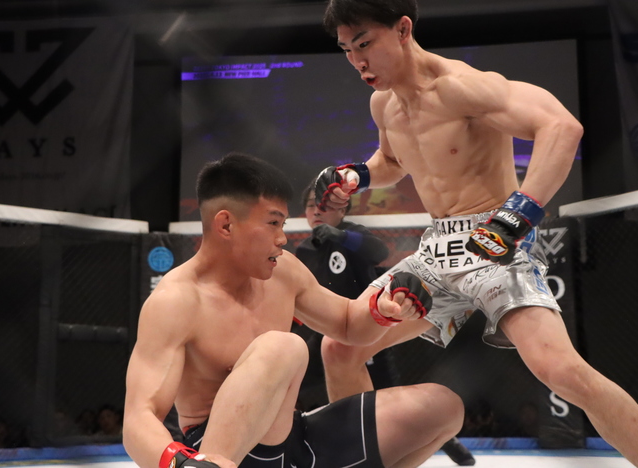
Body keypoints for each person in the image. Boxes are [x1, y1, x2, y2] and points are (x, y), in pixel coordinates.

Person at [312, 1, 638, 467]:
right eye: (347, 49)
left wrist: (518, 214)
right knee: (342, 346)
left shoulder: (462, 86)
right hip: (437, 249)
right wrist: (358, 175)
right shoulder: (383, 103)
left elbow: (562, 126)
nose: (358, 61)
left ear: (402, 29)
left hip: (496, 242)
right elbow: (393, 160)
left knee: (562, 372)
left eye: (364, 43)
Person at [122, 152, 465, 468]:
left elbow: (348, 323)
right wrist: (181, 464)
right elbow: (139, 417)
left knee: (442, 407)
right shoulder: (177, 300)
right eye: (273, 223)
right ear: (226, 225)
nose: (282, 239)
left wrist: (384, 310)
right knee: (283, 346)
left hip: (294, 441)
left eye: (283, 225)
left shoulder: (283, 271)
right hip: (226, 454)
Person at [294, 180, 475, 465]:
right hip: (327, 327)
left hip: (369, 324)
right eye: (310, 206)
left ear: (341, 210)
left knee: (384, 392)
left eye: (324, 205)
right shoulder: (304, 251)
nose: (316, 211)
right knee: (300, 374)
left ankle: (440, 437)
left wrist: (341, 236)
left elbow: (378, 251)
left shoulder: (354, 233)